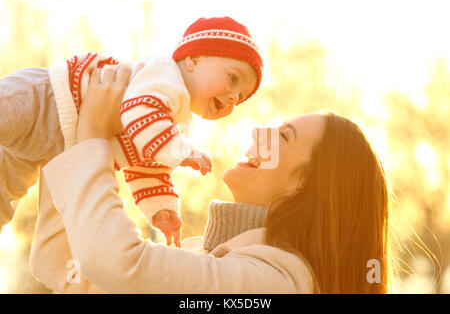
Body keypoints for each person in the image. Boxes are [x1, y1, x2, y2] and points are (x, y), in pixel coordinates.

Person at [29, 62, 392, 294]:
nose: (257, 137)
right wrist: (73, 131)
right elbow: (64, 270)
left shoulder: (279, 281)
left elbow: (119, 264)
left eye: (282, 137)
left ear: (303, 184)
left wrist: (93, 135)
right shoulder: (202, 254)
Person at [0, 16, 263, 243]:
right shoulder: (165, 75)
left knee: (4, 195)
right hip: (46, 102)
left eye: (239, 98)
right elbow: (139, 113)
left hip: (48, 147)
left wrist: (162, 208)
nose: (232, 98)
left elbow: (148, 167)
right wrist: (182, 152)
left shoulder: (173, 124)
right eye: (232, 78)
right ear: (192, 59)